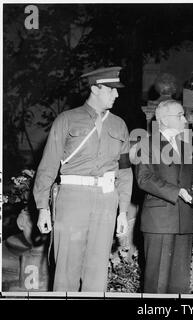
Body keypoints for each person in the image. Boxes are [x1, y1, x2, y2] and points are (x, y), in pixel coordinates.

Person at [33, 66, 133, 292]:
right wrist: (43, 207)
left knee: (97, 272)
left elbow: (124, 171)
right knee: (66, 270)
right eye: (112, 90)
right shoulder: (67, 120)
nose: (117, 94)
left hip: (107, 201)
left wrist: (123, 211)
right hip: (72, 200)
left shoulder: (119, 125)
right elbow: (48, 165)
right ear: (96, 89)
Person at [134, 99, 193, 293]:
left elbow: (190, 178)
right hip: (160, 223)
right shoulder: (147, 144)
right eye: (180, 115)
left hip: (185, 222)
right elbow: (144, 178)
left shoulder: (185, 147)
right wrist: (177, 192)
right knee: (157, 284)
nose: (185, 119)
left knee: (179, 284)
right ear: (164, 120)